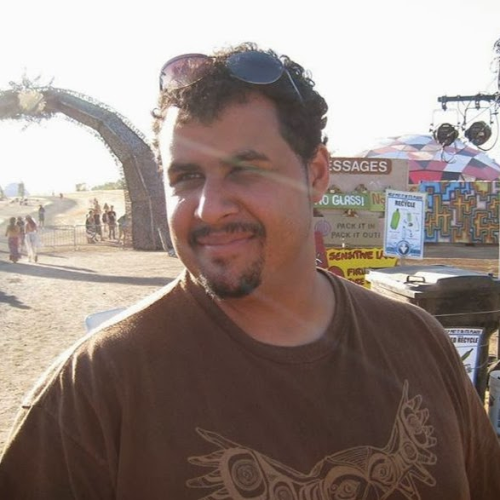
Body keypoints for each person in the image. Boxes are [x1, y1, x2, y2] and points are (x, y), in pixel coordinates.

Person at [1, 43, 500, 499]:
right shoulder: (95, 386)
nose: (210, 208)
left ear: (316, 174)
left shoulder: (420, 343)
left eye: (246, 170)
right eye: (187, 177)